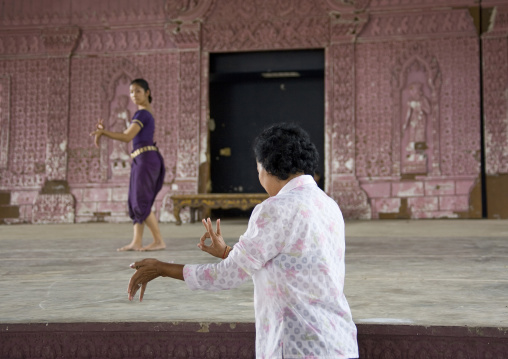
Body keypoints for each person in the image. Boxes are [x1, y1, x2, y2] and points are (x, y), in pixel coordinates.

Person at [127, 123, 358, 358]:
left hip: (297, 345)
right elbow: (292, 265)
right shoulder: (328, 205)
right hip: (339, 341)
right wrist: (230, 252)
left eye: (257, 167)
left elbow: (226, 276)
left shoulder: (275, 209)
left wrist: (161, 268)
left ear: (268, 165)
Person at [90, 78, 166, 252]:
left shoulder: (143, 114)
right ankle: (136, 242)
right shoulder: (142, 113)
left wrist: (103, 132)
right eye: (131, 92)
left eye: (138, 91)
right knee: (134, 201)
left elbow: (126, 137)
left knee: (140, 201)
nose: (134, 95)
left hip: (146, 159)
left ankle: (158, 241)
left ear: (147, 93)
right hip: (140, 159)